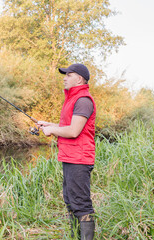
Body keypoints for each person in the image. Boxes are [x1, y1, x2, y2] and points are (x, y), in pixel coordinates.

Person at [37, 63, 96, 240]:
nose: (64, 77)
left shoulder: (83, 100)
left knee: (81, 204)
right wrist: (49, 125)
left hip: (79, 159)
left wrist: (52, 131)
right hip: (70, 157)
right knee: (71, 201)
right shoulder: (72, 99)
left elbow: (73, 131)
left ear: (79, 79)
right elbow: (68, 126)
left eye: (68, 75)